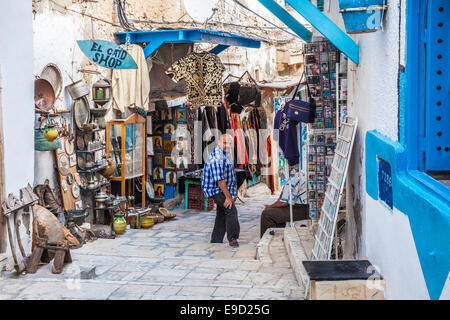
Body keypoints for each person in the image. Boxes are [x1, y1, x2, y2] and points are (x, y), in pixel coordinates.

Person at [201, 133, 239, 247]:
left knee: (222, 212)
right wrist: (228, 197)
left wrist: (232, 193)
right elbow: (220, 180)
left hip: (220, 189)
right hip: (215, 189)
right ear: (218, 142)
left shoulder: (224, 154)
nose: (227, 145)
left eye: (229, 143)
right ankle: (233, 239)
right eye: (225, 142)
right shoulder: (217, 157)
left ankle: (216, 239)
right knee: (230, 209)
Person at [260, 168, 310, 238]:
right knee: (276, 212)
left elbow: (283, 203)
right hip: (307, 209)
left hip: (300, 210)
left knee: (266, 214)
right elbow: (282, 200)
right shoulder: (302, 176)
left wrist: (270, 206)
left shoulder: (292, 180)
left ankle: (267, 238)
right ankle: (279, 235)